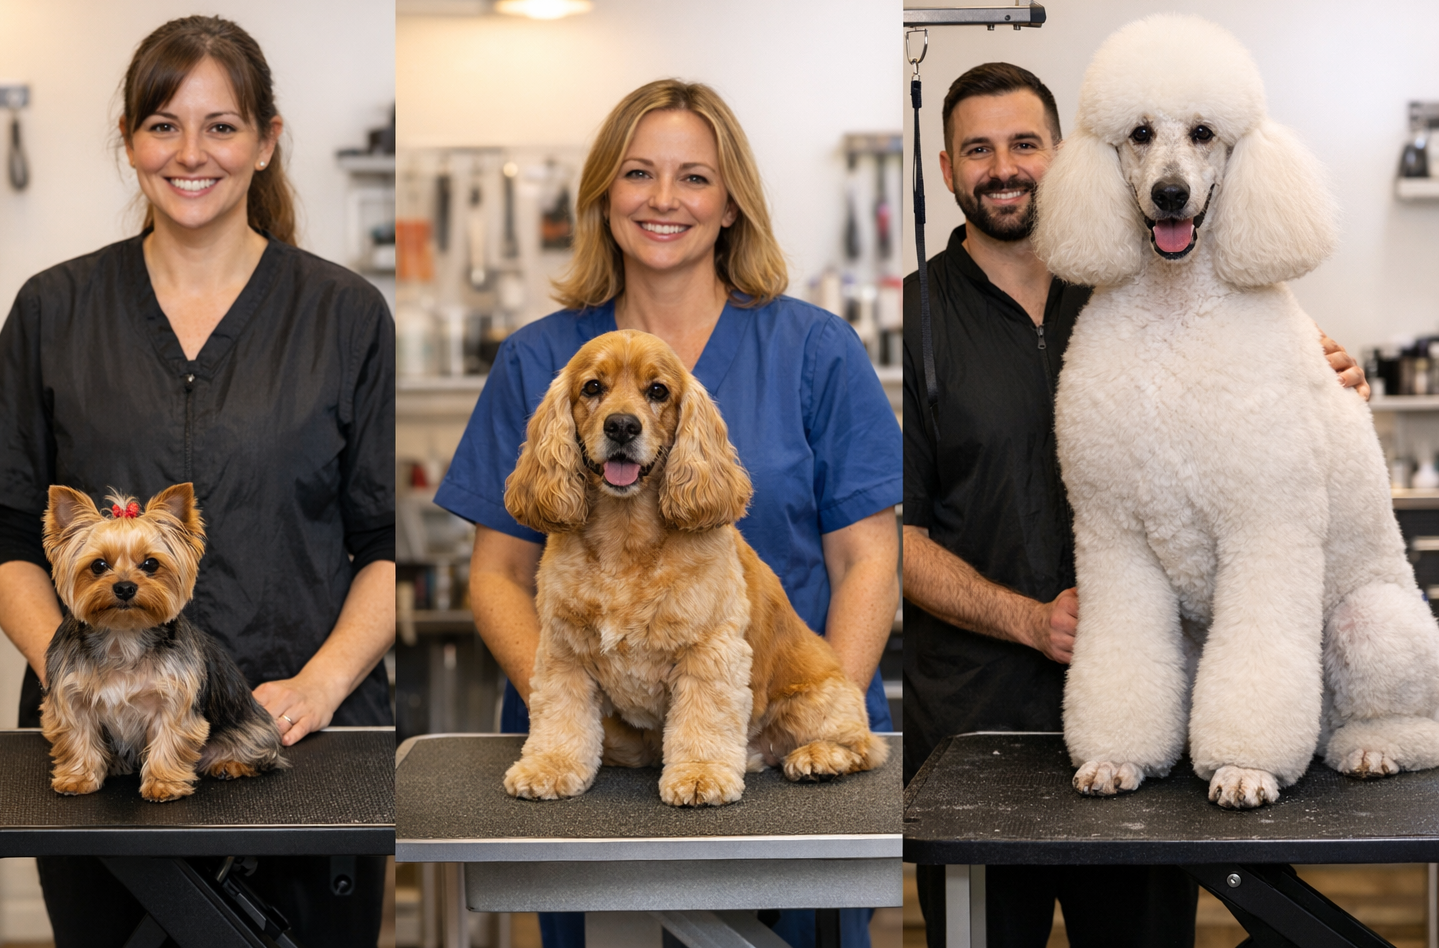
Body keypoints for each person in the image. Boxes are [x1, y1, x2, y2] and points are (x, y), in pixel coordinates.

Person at [0, 16, 394, 948]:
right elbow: (5, 537)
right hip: (101, 767)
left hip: (301, 754)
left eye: (222, 126)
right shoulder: (53, 310)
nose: (192, 154)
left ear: (267, 142)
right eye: (163, 125)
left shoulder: (345, 315)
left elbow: (388, 548)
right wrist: (80, 685)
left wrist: (317, 686)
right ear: (130, 142)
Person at [901, 62, 1368, 948]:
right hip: (977, 720)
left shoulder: (1153, 282)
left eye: (1025, 144)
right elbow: (895, 537)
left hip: (1161, 724)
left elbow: (1273, 393)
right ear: (947, 168)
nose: (1003, 167)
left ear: (1068, 154)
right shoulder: (910, 317)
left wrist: (1330, 376)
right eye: (978, 150)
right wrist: (1029, 622)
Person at [434, 78, 901, 948]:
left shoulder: (816, 350)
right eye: (639, 174)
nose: (663, 200)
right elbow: (495, 577)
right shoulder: (538, 359)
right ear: (605, 196)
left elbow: (869, 561)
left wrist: (780, 715)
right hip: (597, 772)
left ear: (731, 205)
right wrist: (596, 717)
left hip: (769, 749)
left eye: (694, 177)